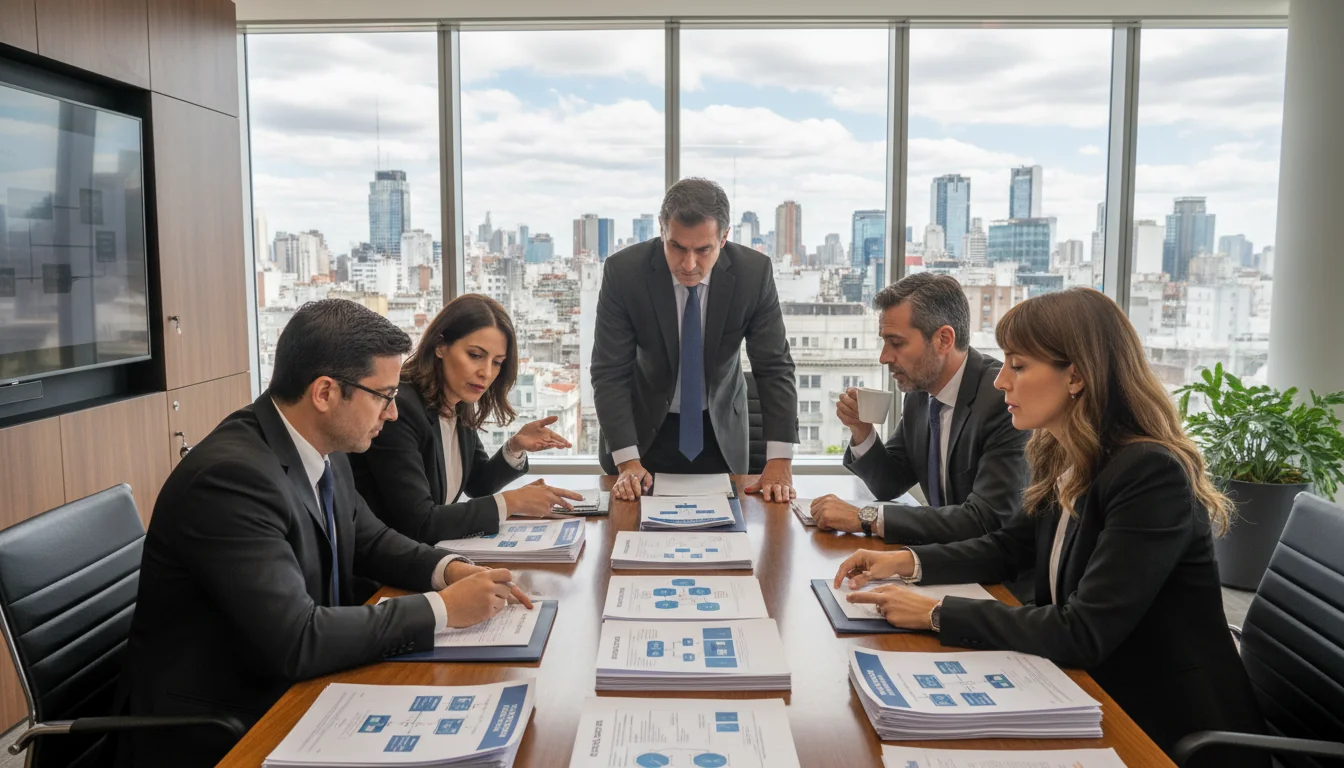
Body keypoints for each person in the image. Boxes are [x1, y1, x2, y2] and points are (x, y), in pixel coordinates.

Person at [831, 288, 1266, 766]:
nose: (999, 382)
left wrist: (934, 612)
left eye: (1017, 366)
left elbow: (1082, 630)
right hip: (1086, 687)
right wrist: (906, 562)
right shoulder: (1068, 453)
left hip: (1161, 724)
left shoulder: (1149, 474)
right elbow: (1004, 548)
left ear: (1076, 376)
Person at [116, 300, 532, 767]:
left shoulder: (324, 446)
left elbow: (371, 540)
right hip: (228, 722)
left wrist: (450, 571)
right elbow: (298, 639)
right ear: (325, 392)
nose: (393, 414)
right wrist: (443, 609)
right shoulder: (231, 479)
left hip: (300, 687)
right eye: (384, 396)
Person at [811, 274, 1031, 597]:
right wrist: (862, 431)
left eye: (896, 343)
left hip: (1002, 589)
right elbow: (891, 482)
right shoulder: (919, 394)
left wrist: (865, 518)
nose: (884, 357)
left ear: (943, 339)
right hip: (945, 571)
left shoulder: (1001, 401)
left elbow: (984, 520)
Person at [592, 177, 798, 502]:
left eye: (703, 250)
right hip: (641, 437)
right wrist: (627, 459)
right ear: (662, 230)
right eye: (677, 247)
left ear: (724, 238)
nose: (688, 265)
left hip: (720, 436)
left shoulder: (752, 274)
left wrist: (780, 460)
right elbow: (609, 373)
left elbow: (774, 368)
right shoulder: (625, 273)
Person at [351, 294, 583, 548]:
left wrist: (515, 447)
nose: (486, 372)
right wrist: (512, 502)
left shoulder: (458, 403)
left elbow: (478, 484)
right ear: (440, 346)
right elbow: (419, 522)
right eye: (475, 355)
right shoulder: (401, 409)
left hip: (428, 554)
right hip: (385, 573)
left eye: (497, 363)